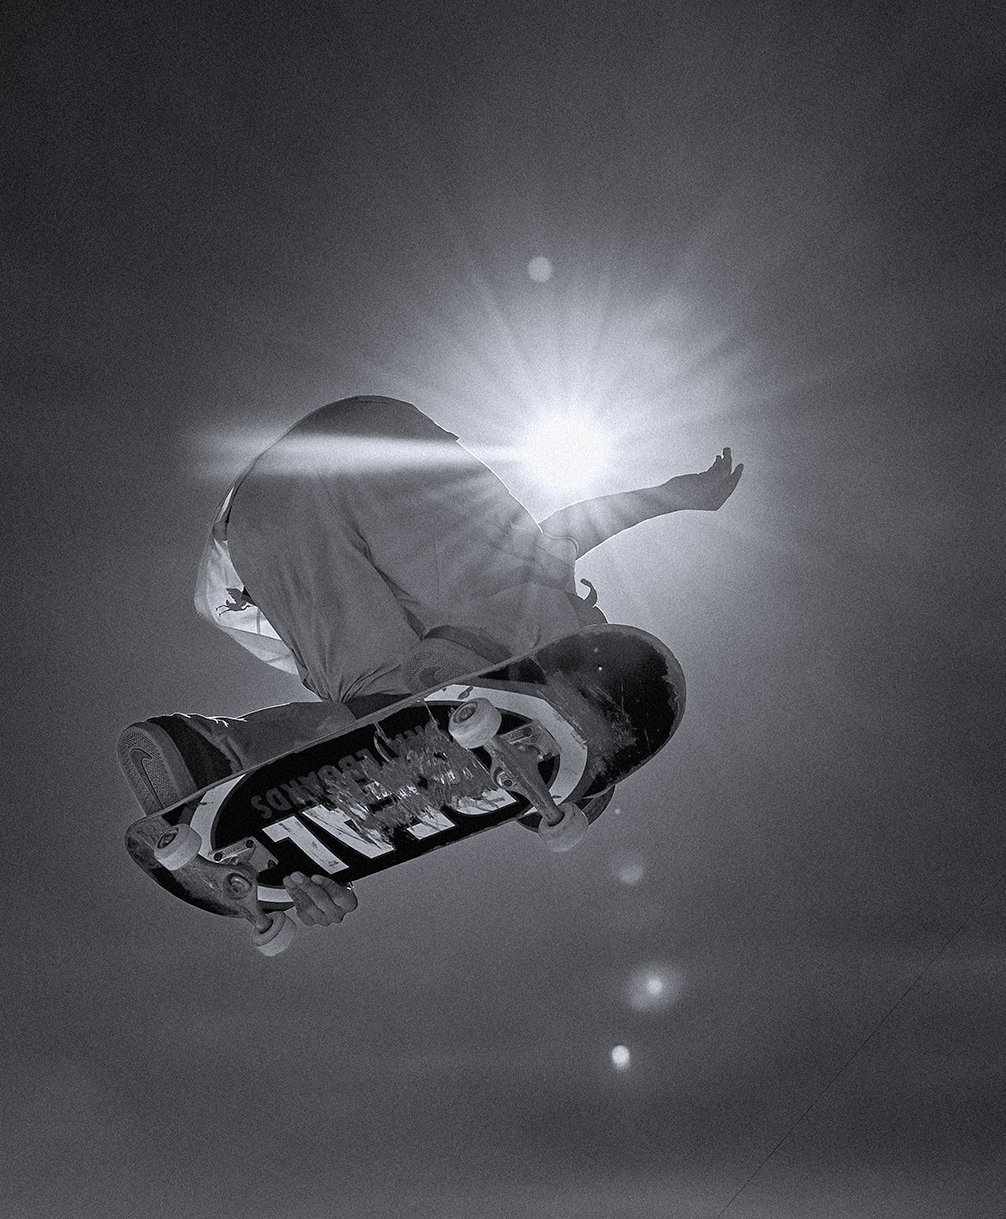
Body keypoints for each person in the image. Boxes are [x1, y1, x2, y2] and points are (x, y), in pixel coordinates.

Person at [125, 396, 743, 935]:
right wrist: (676, 496)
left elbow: (355, 749)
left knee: (373, 706)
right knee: (494, 622)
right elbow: (574, 529)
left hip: (261, 520)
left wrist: (308, 854)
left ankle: (217, 751)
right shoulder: (545, 585)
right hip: (370, 467)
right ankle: (508, 721)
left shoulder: (511, 581)